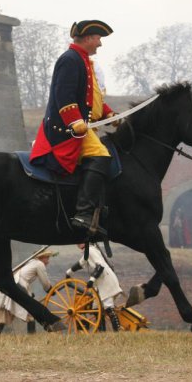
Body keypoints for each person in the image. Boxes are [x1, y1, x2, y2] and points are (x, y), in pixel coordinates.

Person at [29, 20, 116, 237]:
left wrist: (108, 114)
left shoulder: (84, 60)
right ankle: (83, 214)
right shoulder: (70, 60)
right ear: (87, 38)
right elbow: (64, 95)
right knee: (101, 155)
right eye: (98, 39)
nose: (100, 44)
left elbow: (91, 97)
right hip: (65, 129)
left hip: (80, 126)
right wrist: (74, 121)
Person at [0, 250, 57, 334]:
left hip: (13, 284)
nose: (48, 261)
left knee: (6, 313)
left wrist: (29, 294)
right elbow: (45, 283)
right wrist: (51, 291)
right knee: (30, 312)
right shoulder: (39, 264)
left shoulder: (31, 262)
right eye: (47, 258)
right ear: (42, 257)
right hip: (20, 286)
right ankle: (32, 337)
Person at [65, 243, 123, 331]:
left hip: (105, 281)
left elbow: (100, 266)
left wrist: (92, 279)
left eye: (80, 241)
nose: (78, 244)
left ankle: (117, 331)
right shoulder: (88, 251)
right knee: (96, 308)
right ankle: (101, 332)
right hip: (100, 282)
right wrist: (68, 272)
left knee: (108, 306)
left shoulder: (91, 251)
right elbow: (81, 263)